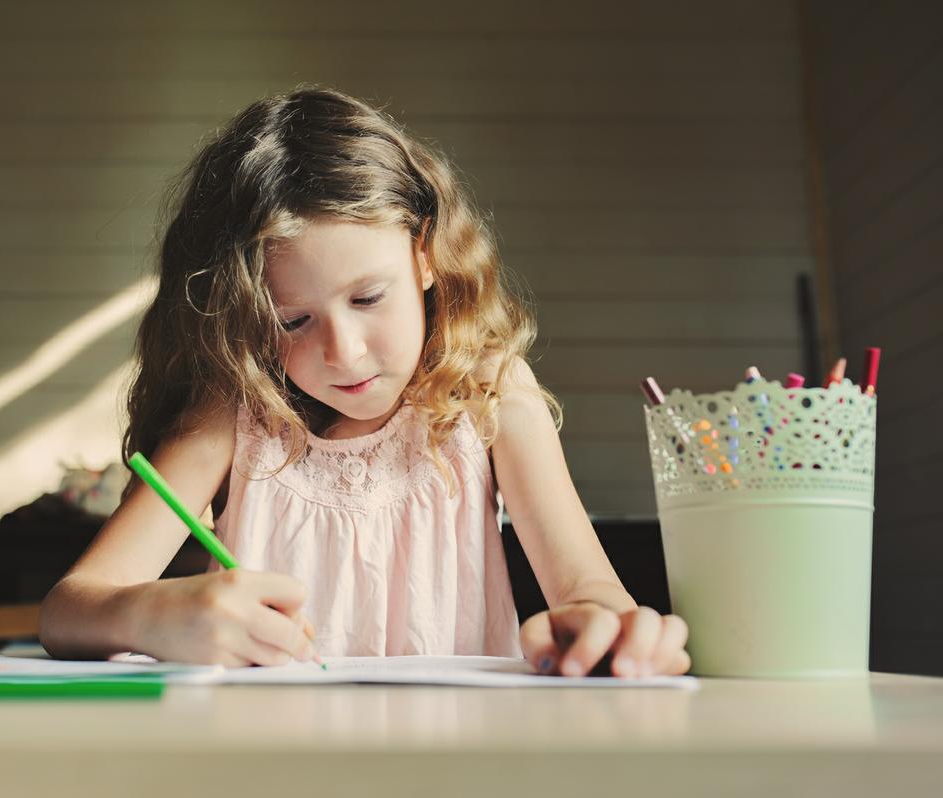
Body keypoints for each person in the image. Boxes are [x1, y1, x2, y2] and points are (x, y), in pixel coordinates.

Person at [39, 86, 691, 678]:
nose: (343, 354)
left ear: (425, 255)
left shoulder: (489, 392)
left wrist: (609, 626)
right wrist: (155, 616)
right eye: (292, 319)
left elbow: (588, 592)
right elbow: (69, 611)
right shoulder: (232, 414)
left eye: (369, 298)